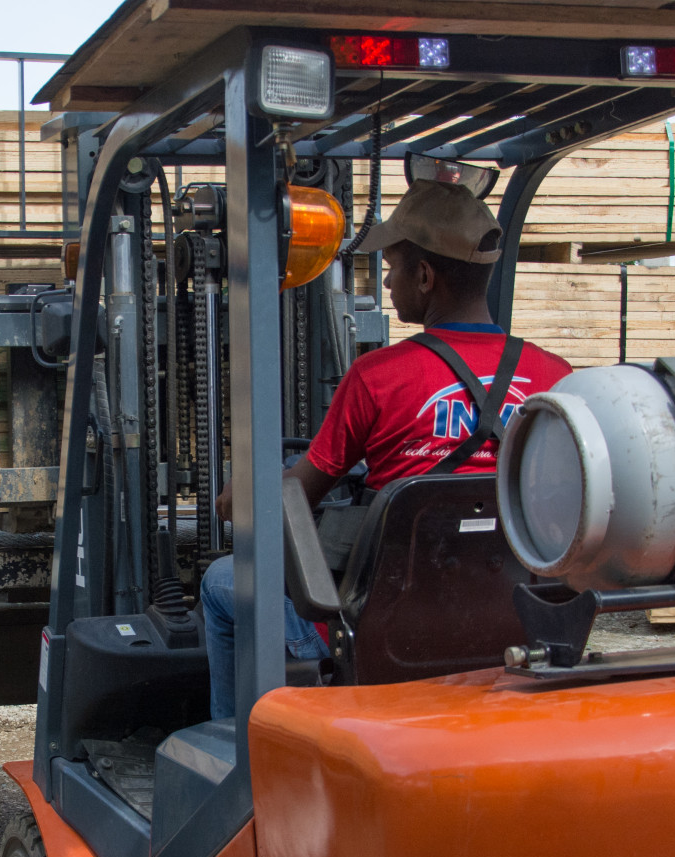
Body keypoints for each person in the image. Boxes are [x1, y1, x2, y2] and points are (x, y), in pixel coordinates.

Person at [202, 179, 574, 719]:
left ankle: (238, 748)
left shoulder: (379, 376)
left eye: (392, 267)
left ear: (424, 276)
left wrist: (243, 494)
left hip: (386, 633)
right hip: (514, 627)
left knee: (219, 582)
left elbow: (296, 498)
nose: (387, 281)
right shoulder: (556, 377)